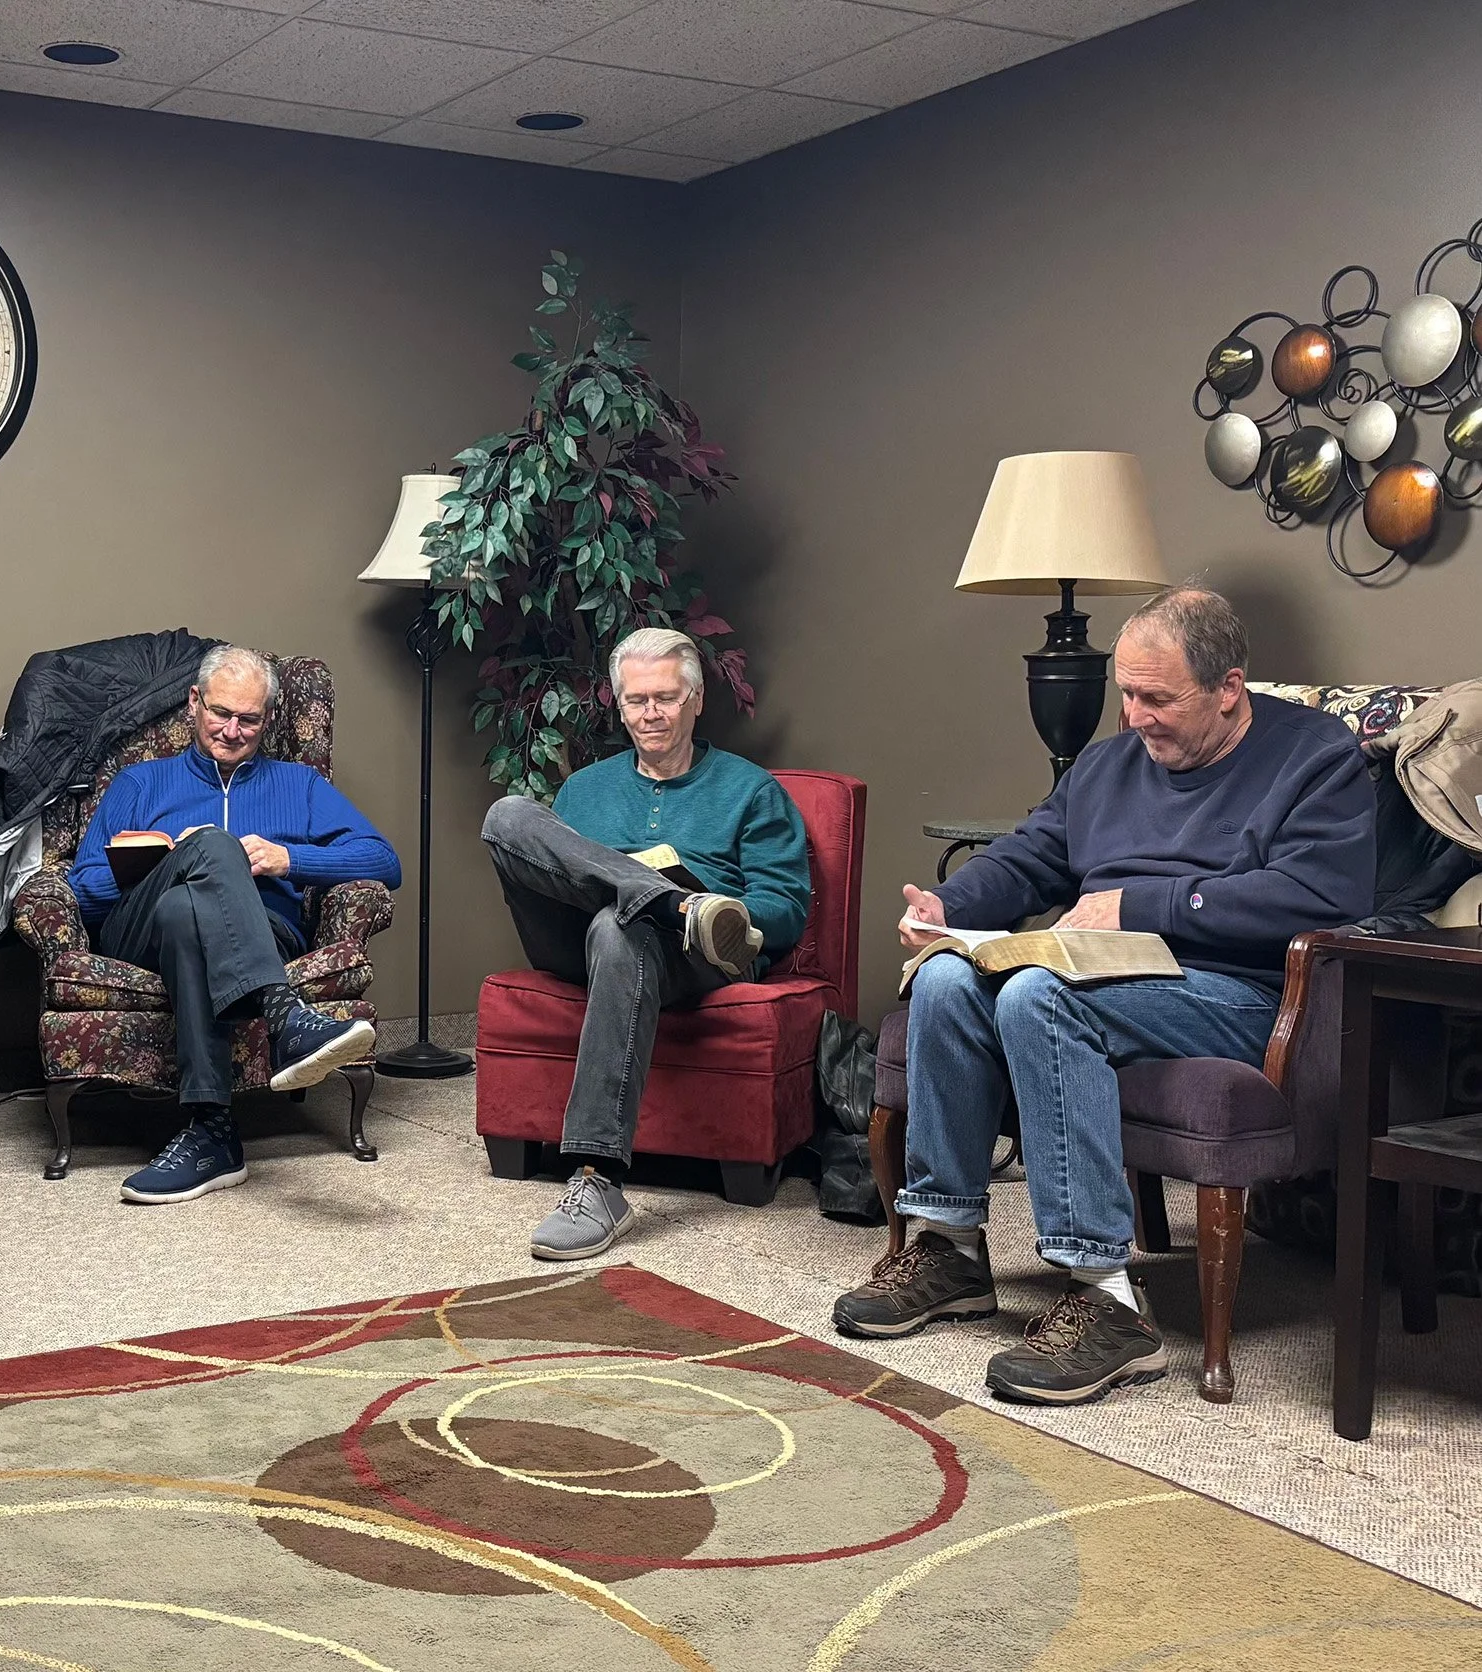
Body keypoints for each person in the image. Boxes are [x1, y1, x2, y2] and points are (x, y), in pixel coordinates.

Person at [831, 587, 1375, 1405]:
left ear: (1229, 687)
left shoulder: (1315, 756)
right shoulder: (1111, 763)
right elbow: (1030, 855)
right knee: (945, 978)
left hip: (1233, 992)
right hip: (1103, 973)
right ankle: (949, 1247)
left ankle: (1109, 1300)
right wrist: (952, 908)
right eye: (1127, 692)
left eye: (1157, 697)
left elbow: (1322, 897)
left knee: (1040, 996)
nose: (1135, 715)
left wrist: (1145, 906)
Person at [481, 625, 811, 1262]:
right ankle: (674, 902)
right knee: (508, 816)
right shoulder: (584, 789)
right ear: (619, 704)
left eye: (664, 698)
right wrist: (661, 892)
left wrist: (728, 912)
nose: (650, 714)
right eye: (636, 701)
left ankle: (596, 1180)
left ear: (695, 701)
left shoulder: (750, 791)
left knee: (620, 926)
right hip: (576, 941)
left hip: (696, 958)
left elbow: (787, 908)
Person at [67, 644, 400, 1205]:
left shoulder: (298, 784)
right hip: (136, 932)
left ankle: (212, 1134)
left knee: (185, 912)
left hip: (261, 931)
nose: (231, 730)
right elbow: (81, 888)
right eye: (220, 712)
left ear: (267, 720)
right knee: (199, 865)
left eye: (248, 719)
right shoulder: (140, 783)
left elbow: (384, 862)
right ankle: (286, 1018)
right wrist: (164, 864)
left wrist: (287, 859)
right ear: (195, 703)